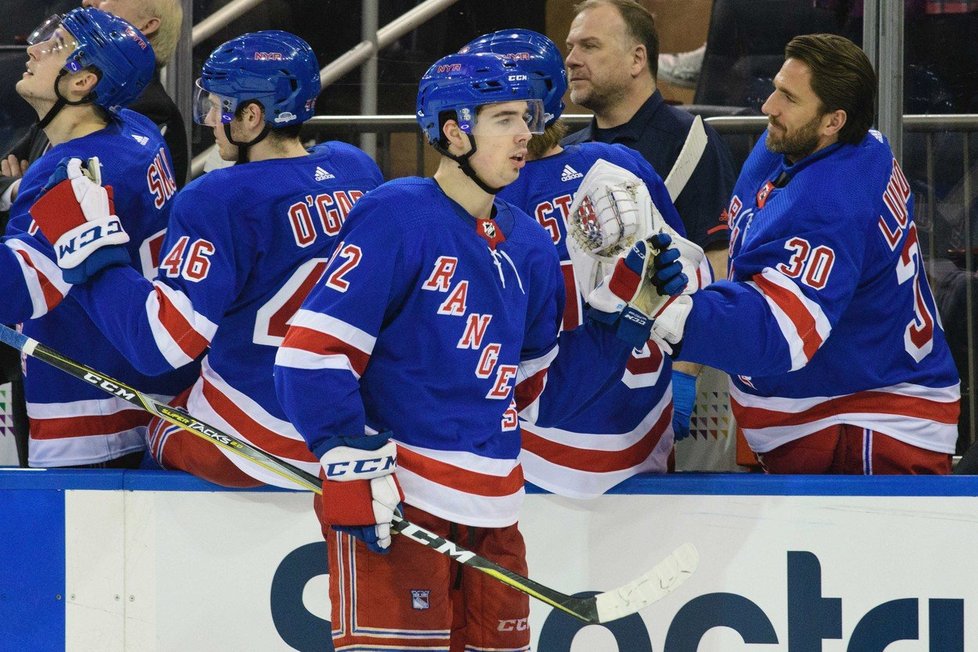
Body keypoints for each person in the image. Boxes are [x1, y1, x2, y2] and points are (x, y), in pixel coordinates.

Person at [272, 51, 684, 650]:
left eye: (526, 117)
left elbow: (538, 397)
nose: (526, 133)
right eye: (504, 119)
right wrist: (344, 452)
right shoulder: (397, 215)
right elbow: (311, 354)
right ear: (451, 129)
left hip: (496, 513)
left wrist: (625, 320)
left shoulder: (531, 248)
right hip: (400, 504)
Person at [29, 30, 384, 486]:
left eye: (218, 105)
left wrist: (88, 246)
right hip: (345, 422)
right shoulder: (356, 167)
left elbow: (159, 345)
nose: (211, 119)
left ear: (252, 116)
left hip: (258, 431)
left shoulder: (218, 196)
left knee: (156, 435)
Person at [645, 33, 961, 474]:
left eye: (788, 97)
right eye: (775, 87)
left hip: (867, 415)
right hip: (820, 399)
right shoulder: (810, 146)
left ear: (833, 120)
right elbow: (746, 253)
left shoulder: (832, 203)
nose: (768, 106)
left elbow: (782, 328)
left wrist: (668, 313)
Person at [464, 29, 703, 494]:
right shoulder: (618, 165)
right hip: (644, 431)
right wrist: (683, 371)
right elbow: (691, 273)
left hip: (533, 450)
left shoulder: (479, 202)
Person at [0, 7, 195, 468]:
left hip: (91, 407)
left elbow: (18, 289)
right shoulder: (136, 130)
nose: (33, 49)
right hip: (141, 387)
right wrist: (16, 193)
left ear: (82, 82)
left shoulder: (71, 173)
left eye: (56, 46)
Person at [563, 0, 738, 440]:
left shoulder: (692, 142)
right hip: (582, 381)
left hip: (665, 377)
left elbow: (716, 263)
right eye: (570, 47)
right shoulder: (567, 152)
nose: (570, 59)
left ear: (637, 58)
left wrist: (685, 373)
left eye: (589, 45)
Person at [1, 0, 189, 206]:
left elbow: (62, 202)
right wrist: (20, 188)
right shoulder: (60, 103)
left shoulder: (142, 113)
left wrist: (29, 188)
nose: (87, 1)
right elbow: (11, 169)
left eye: (57, 46)